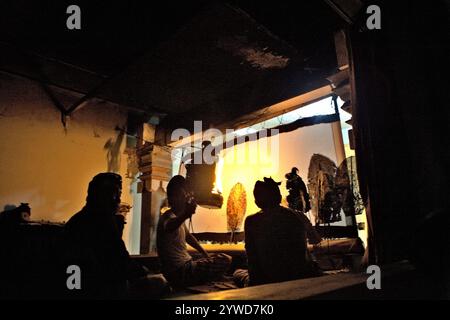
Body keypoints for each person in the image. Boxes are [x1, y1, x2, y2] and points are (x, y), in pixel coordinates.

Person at [64, 172, 168, 299]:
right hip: (99, 288)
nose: (118, 200)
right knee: (160, 283)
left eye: (118, 195)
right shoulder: (102, 221)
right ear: (100, 195)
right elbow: (119, 260)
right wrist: (144, 272)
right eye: (115, 194)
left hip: (81, 286)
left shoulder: (78, 219)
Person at [234, 177, 321, 287]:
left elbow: (252, 259)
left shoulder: (251, 221)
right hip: (300, 276)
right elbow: (316, 240)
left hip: (266, 280)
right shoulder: (299, 216)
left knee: (237, 273)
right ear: (280, 198)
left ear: (257, 202)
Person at [157, 175, 231, 288]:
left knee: (213, 259)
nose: (185, 198)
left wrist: (205, 254)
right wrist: (186, 214)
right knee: (225, 259)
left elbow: (189, 237)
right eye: (182, 195)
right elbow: (169, 226)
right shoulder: (168, 217)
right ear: (174, 197)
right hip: (180, 271)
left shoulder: (177, 218)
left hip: (185, 266)